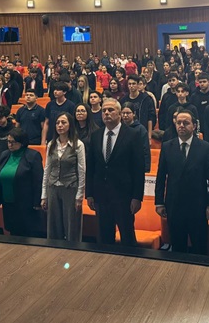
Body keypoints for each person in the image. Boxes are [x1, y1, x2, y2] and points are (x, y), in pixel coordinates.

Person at [155, 110, 209, 254]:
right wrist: (159, 202)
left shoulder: (206, 147)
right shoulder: (167, 146)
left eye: (186, 123)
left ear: (194, 126)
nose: (181, 126)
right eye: (179, 122)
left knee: (199, 248)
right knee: (177, 248)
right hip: (174, 205)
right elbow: (161, 176)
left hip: (198, 206)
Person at [86, 98, 145, 246]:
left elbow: (138, 168)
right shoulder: (96, 135)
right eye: (104, 110)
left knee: (127, 238)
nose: (106, 113)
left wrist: (137, 197)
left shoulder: (133, 135)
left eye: (110, 110)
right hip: (101, 196)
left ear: (119, 113)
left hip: (124, 196)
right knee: (104, 239)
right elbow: (91, 167)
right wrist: (90, 193)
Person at [41, 113, 86, 242]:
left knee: (72, 225)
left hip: (70, 188)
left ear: (70, 125)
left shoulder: (78, 144)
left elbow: (82, 171)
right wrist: (44, 194)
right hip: (53, 187)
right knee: (53, 226)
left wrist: (80, 195)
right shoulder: (52, 144)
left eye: (63, 122)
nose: (60, 125)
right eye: (57, 123)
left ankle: (73, 251)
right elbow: (47, 169)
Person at [0, 128, 44, 237]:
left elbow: (38, 181)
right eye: (8, 142)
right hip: (8, 202)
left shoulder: (33, 156)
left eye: (13, 142)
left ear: (22, 142)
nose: (10, 145)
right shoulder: (4, 155)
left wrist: (37, 202)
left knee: (27, 234)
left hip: (26, 204)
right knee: (12, 233)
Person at [121, 102, 151, 173]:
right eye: (123, 113)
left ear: (134, 113)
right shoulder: (119, 128)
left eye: (128, 113)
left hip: (136, 165)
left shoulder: (141, 129)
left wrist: (146, 168)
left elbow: (145, 149)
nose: (125, 115)